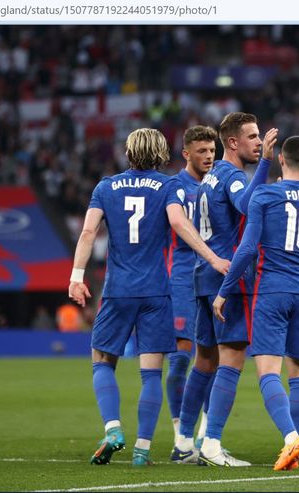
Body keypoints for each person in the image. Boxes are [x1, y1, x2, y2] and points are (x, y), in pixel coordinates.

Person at [68, 128, 229, 467]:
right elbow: (179, 224)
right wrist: (212, 258)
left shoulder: (105, 186)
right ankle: (142, 449)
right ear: (160, 154)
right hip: (157, 291)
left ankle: (113, 429)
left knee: (101, 361)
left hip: (118, 291)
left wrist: (77, 277)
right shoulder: (169, 185)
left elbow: (87, 232)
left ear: (128, 153)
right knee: (151, 373)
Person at [213, 135, 299, 471]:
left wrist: (223, 291)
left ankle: (290, 438)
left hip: (271, 291)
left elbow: (248, 249)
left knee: (268, 371)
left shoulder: (265, 195)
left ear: (281, 160)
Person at [174, 112, 277, 467]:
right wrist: (264, 165)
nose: (259, 142)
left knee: (205, 360)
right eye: (252, 137)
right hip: (228, 279)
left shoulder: (210, 175)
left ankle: (185, 442)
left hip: (203, 276)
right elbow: (247, 205)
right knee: (231, 360)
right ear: (232, 142)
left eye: (259, 135)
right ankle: (212, 444)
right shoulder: (232, 176)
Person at [165, 125, 217, 456]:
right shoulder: (176, 186)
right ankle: (180, 437)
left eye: (212, 151)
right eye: (202, 151)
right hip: (184, 278)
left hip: (214, 278)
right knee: (181, 359)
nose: (209, 157)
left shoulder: (220, 184)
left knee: (213, 357)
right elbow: (175, 224)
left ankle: (204, 435)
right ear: (187, 154)